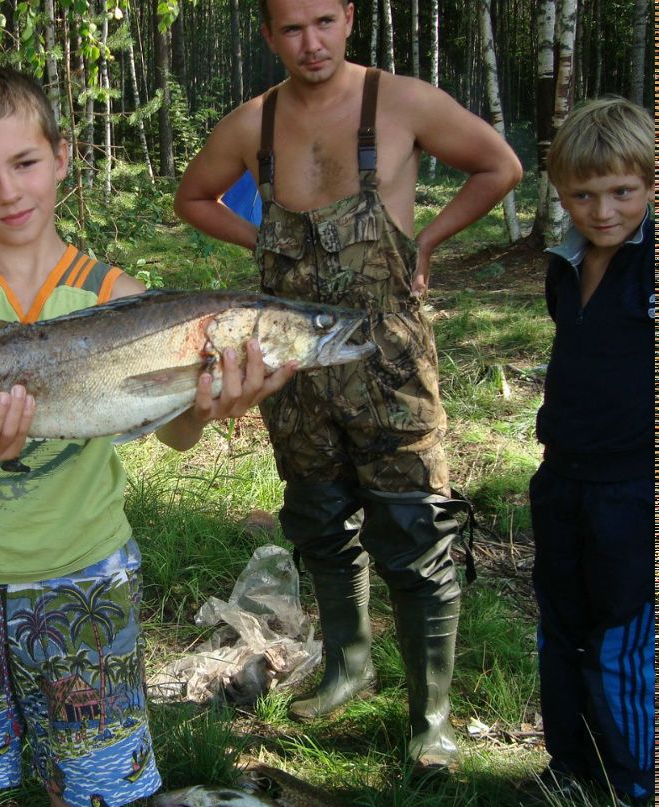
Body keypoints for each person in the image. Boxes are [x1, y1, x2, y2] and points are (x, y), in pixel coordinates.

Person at [0, 64, 296, 807]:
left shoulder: (127, 300)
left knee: (93, 789)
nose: (9, 192)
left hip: (86, 580)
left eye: (24, 164)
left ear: (63, 157)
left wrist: (210, 402)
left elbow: (171, 433)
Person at [173, 0, 522, 772]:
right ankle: (347, 666)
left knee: (414, 530)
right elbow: (191, 197)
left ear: (350, 19)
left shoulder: (401, 102)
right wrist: (259, 234)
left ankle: (431, 719)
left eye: (325, 21)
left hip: (389, 360)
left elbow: (501, 165)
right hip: (292, 368)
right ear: (268, 36)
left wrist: (426, 238)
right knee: (319, 517)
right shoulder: (251, 124)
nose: (312, 42)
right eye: (292, 28)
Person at [528, 97, 653, 805]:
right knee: (562, 629)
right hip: (562, 480)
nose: (603, 211)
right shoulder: (565, 265)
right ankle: (570, 765)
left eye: (622, 193)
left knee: (621, 641)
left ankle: (634, 779)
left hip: (633, 491)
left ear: (650, 185)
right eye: (583, 194)